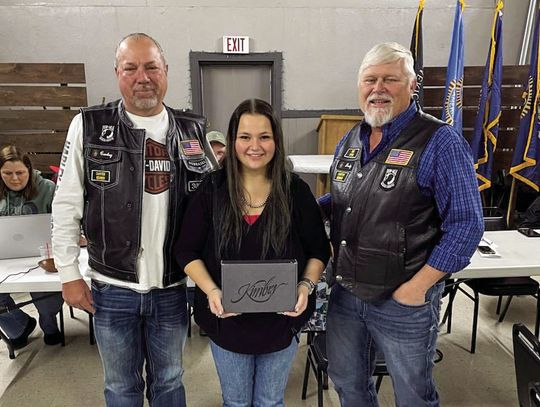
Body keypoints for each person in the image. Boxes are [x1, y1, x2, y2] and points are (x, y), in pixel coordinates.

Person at [51, 33, 215, 406]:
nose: (143, 77)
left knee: (170, 381)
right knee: (121, 386)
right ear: (117, 73)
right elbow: (66, 204)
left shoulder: (193, 129)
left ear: (166, 71)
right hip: (112, 287)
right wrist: (68, 274)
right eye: (131, 68)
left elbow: (214, 207)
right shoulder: (89, 126)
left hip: (171, 288)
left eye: (152, 67)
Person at [320, 42, 484, 406]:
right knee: (348, 385)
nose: (378, 89)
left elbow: (466, 225)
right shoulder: (349, 141)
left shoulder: (439, 141)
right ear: (359, 87)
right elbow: (343, 202)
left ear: (412, 85)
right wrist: (291, 210)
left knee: (413, 396)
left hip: (403, 300)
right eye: (370, 80)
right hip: (347, 293)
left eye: (389, 79)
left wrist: (417, 288)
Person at [176, 98, 330, 407]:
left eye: (264, 136)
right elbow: (186, 250)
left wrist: (305, 286)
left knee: (271, 402)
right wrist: (212, 290)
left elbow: (318, 250)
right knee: (235, 402)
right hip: (228, 322)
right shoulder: (212, 190)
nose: (254, 146)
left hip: (281, 322)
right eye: (245, 137)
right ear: (233, 141)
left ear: (276, 140)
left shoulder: (295, 191)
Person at [0, 145, 64, 348]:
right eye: (7, 173)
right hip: (5, 256)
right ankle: (19, 325)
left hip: (44, 254)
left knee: (46, 293)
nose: (15, 178)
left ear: (29, 169)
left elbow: (63, 222)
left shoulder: (47, 188)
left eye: (20, 172)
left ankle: (49, 324)